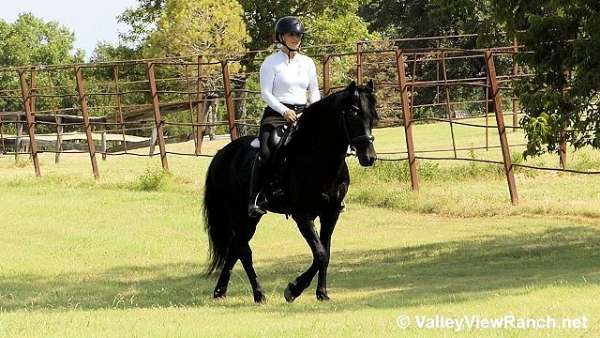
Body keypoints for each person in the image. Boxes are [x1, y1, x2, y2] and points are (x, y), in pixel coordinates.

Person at [248, 16, 321, 217]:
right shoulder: (271, 63)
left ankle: (330, 191)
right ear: (281, 37)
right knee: (267, 148)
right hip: (276, 114)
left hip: (303, 112)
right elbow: (266, 93)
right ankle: (256, 197)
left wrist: (312, 110)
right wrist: (284, 111)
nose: (295, 38)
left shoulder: (308, 63)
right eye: (291, 34)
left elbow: (314, 91)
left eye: (298, 35)